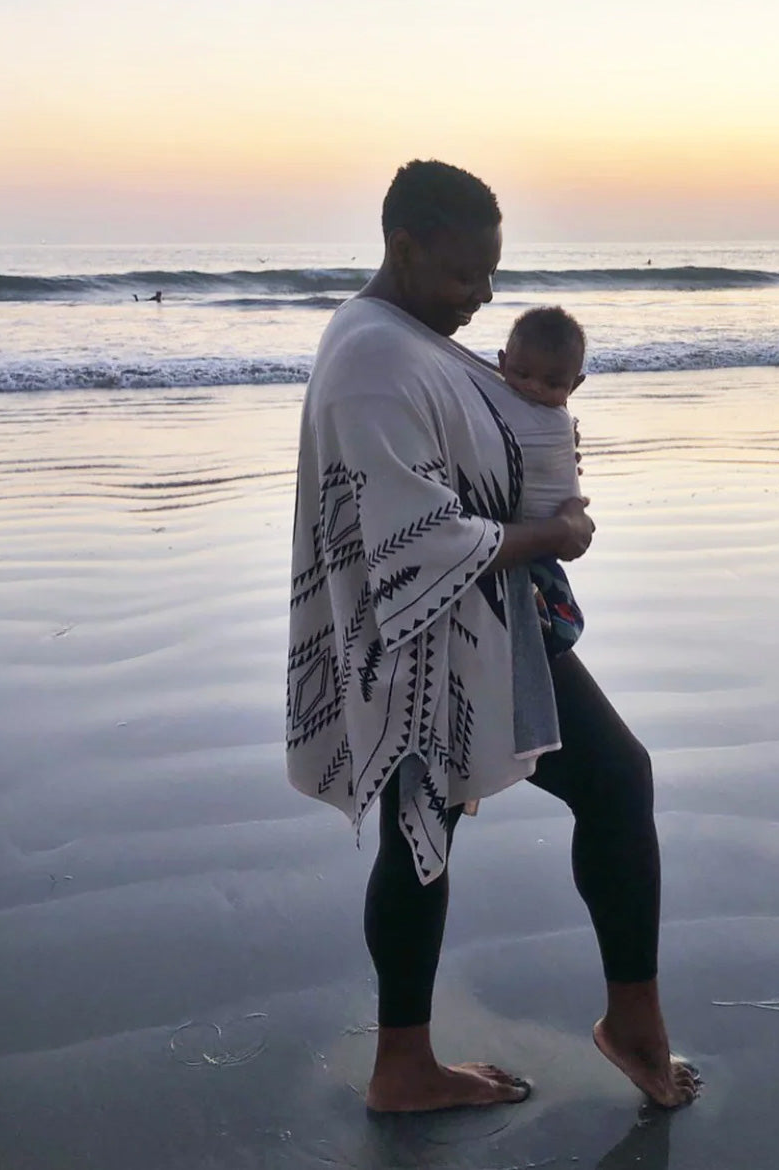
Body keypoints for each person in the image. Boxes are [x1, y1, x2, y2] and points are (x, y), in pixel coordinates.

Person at [286, 159, 698, 1114]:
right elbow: (415, 537)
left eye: (492, 275)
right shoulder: (374, 356)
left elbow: (466, 457)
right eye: (466, 275)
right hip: (434, 640)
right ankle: (603, 1030)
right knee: (609, 781)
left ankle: (409, 1062)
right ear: (404, 247)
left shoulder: (401, 336)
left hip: (471, 632)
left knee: (423, 834)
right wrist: (551, 533)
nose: (482, 298)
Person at [492, 305, 588, 657]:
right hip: (514, 529)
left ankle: (560, 622)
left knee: (550, 580)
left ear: (574, 385)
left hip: (551, 527)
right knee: (537, 578)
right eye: (522, 374)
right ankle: (550, 621)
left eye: (552, 383)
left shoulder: (561, 419)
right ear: (501, 365)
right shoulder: (492, 399)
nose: (533, 388)